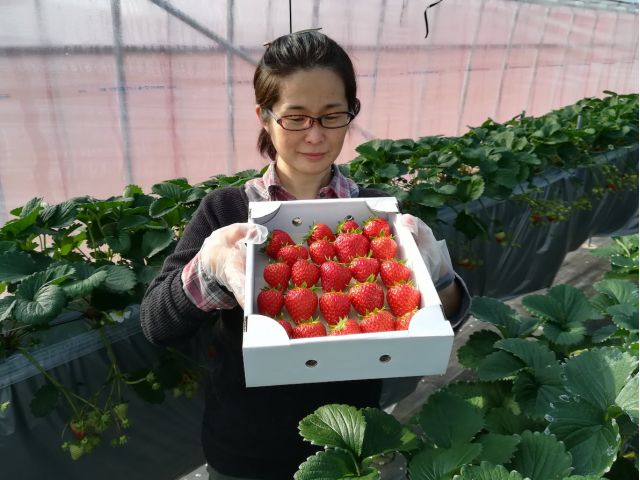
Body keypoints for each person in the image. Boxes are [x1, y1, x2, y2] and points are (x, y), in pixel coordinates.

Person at [140, 30, 470, 480]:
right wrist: (211, 269)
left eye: (332, 115)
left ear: (351, 113)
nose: (315, 134)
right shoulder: (226, 211)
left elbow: (447, 318)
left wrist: (440, 277)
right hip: (246, 447)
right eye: (296, 117)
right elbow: (157, 324)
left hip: (351, 441)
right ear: (265, 115)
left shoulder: (375, 213)